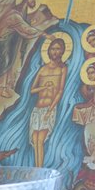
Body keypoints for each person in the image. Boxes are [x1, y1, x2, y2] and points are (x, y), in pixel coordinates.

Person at [0, 0, 52, 98]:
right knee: (2, 64)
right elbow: (25, 29)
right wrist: (44, 34)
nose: (33, 0)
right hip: (1, 41)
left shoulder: (23, 11)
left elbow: (24, 24)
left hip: (9, 40)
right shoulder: (15, 14)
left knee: (9, 63)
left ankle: (4, 88)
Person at [29, 37, 68, 167]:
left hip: (49, 108)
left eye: (58, 49)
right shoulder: (42, 69)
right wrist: (44, 87)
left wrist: (50, 109)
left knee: (41, 140)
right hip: (37, 109)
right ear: (49, 51)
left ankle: (39, 169)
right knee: (35, 141)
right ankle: (37, 168)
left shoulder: (62, 69)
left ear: (62, 51)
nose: (55, 51)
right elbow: (32, 90)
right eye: (53, 49)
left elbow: (60, 91)